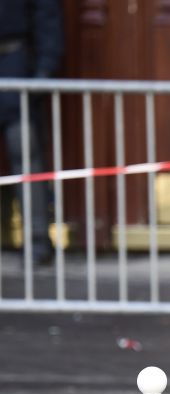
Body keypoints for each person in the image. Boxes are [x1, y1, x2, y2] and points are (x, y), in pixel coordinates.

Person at [0, 0, 62, 265]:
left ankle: (37, 240)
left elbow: (46, 13)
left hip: (14, 59)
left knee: (24, 146)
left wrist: (45, 67)